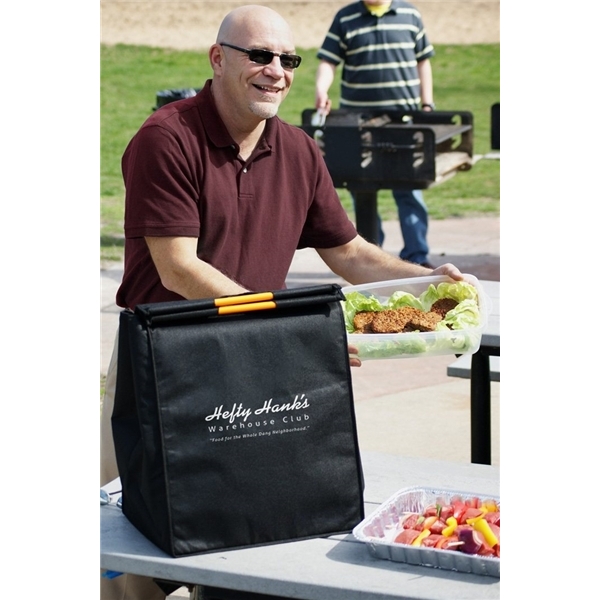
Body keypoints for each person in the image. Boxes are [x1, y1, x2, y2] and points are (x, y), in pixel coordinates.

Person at [100, 5, 462, 598]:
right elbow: (179, 268)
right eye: (260, 55)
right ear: (217, 59)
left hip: (256, 361)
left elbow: (349, 252)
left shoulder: (298, 150)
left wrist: (428, 280)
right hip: (162, 364)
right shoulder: (166, 138)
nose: (277, 70)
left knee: (248, 536)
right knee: (138, 563)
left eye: (288, 59)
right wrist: (293, 333)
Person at [315, 0, 436, 267]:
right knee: (362, 190)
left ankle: (418, 257)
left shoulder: (409, 14)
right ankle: (373, 257)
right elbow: (328, 61)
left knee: (409, 190)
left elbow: (423, 61)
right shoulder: (346, 17)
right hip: (358, 125)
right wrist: (322, 89)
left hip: (404, 122)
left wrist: (427, 103)